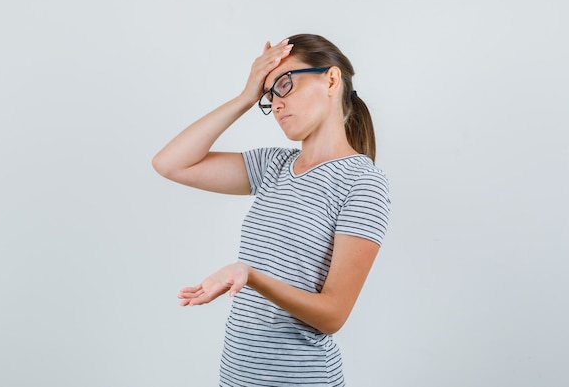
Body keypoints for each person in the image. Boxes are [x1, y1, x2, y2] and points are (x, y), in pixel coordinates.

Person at [152, 34, 390, 387]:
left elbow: (333, 314)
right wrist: (246, 96)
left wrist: (252, 276)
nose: (276, 104)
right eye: (269, 96)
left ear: (331, 79)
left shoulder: (363, 183)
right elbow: (170, 164)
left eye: (285, 84)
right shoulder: (273, 166)